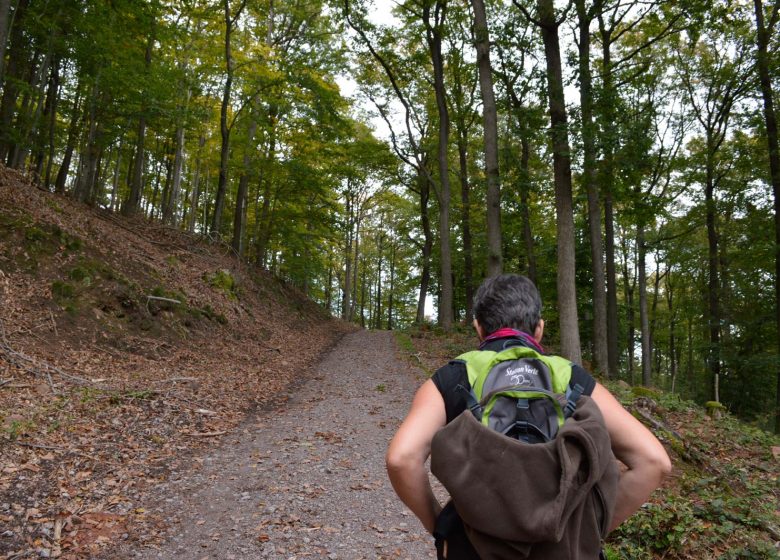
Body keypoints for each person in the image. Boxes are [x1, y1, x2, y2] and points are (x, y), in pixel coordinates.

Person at [386, 274, 672, 558]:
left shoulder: (455, 376)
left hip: (473, 547)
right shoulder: (570, 378)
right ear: (539, 329)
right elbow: (653, 461)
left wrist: (440, 525)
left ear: (478, 327)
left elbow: (401, 459)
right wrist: (587, 531)